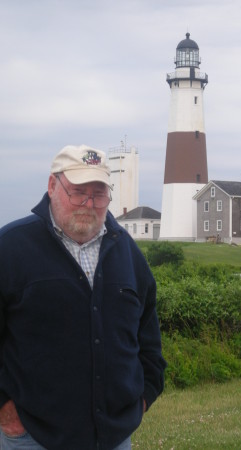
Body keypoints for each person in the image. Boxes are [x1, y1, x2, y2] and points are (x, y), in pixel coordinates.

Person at [0, 145, 166, 450]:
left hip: (113, 438)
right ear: (52, 186)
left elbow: (148, 336)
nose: (88, 204)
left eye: (99, 194)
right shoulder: (10, 248)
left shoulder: (128, 252)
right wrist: (4, 407)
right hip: (30, 437)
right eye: (78, 191)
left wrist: (143, 397)